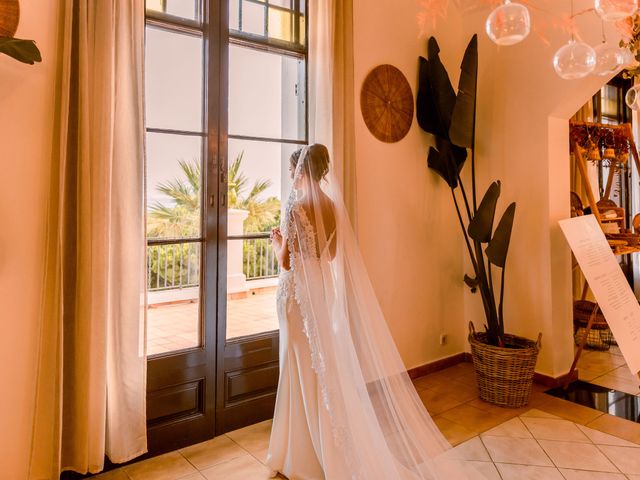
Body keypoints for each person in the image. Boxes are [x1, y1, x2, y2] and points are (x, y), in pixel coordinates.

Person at [266, 144, 483, 479]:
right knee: (319, 369)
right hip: (321, 293)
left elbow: (286, 261)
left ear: (303, 172)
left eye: (293, 172)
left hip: (298, 298)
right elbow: (333, 253)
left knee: (299, 368)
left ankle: (304, 451)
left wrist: (276, 241)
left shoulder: (296, 208)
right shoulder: (332, 206)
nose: (291, 178)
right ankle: (316, 444)